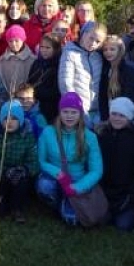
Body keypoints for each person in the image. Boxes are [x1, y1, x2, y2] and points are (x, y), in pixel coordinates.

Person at [36, 92, 103, 226]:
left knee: (71, 220)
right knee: (44, 186)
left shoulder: (90, 137)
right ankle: (58, 204)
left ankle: (68, 203)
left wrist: (77, 187)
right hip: (54, 179)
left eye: (73, 112)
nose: (69, 116)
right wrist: (58, 174)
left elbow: (97, 170)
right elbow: (41, 161)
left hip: (77, 181)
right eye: (65, 111)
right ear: (60, 113)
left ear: (80, 114)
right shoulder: (48, 132)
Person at [96, 97, 134, 231]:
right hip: (104, 191)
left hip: (126, 194)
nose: (117, 118)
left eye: (122, 115)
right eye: (114, 114)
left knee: (123, 225)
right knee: (99, 220)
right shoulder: (101, 135)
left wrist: (132, 196)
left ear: (129, 118)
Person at [0, 100, 38, 223]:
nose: (9, 122)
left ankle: (17, 208)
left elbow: (34, 161)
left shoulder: (28, 137)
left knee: (21, 181)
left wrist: (24, 170)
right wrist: (4, 172)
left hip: (19, 177)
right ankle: (2, 201)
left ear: (20, 120)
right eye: (6, 118)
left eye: (14, 118)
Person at [58, 21, 107, 127]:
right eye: (91, 38)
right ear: (83, 34)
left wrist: (101, 113)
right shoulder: (70, 54)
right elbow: (66, 84)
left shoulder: (98, 57)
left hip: (97, 112)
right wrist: (78, 111)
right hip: (77, 112)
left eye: (98, 41)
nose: (93, 43)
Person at [27, 33, 62, 123]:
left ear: (56, 49)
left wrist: (35, 92)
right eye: (42, 47)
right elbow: (29, 81)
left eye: (48, 48)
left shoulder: (59, 66)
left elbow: (56, 91)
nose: (44, 50)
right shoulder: (37, 63)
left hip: (50, 109)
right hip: (34, 105)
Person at [0, 24, 36, 96]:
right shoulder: (1, 62)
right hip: (8, 101)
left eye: (17, 41)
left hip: (27, 101)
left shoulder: (33, 60)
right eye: (10, 41)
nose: (14, 44)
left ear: (23, 40)